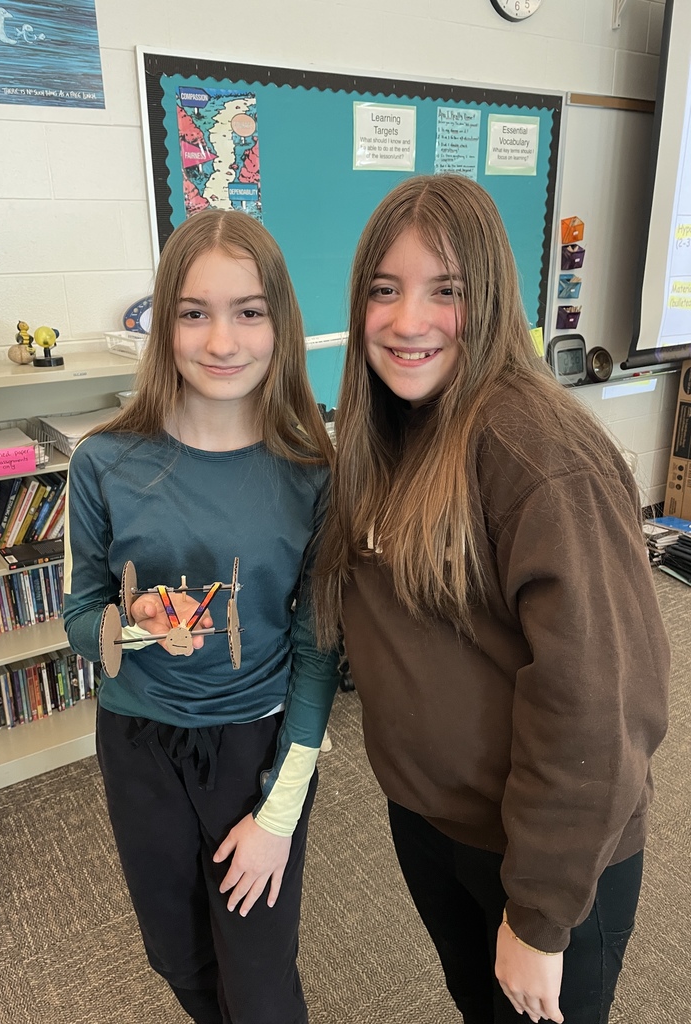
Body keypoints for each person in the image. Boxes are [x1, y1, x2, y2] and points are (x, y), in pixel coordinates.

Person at [312, 174, 669, 1024]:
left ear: (494, 300)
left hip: (546, 854)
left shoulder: (536, 454)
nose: (407, 322)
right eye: (384, 291)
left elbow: (600, 704)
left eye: (446, 292)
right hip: (435, 824)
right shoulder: (393, 429)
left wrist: (541, 920)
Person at [63, 209, 338, 1024]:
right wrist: (128, 625)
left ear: (279, 322)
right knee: (177, 954)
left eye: (248, 311)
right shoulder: (105, 461)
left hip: (255, 749)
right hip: (138, 748)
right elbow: (81, 613)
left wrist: (277, 815)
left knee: (257, 983)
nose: (222, 341)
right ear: (164, 325)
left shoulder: (314, 473)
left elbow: (316, 655)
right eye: (194, 312)